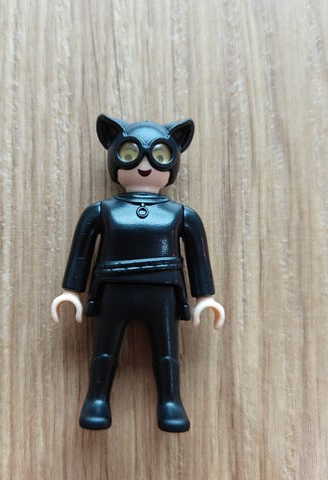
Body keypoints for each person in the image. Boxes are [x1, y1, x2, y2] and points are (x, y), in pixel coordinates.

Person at [51, 114, 225, 432]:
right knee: (104, 349)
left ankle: (171, 402)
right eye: (131, 153)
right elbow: (81, 252)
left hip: (163, 293)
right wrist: (70, 291)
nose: (145, 164)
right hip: (114, 290)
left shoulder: (181, 214)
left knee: (166, 351)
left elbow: (198, 258)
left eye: (158, 155)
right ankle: (96, 399)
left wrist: (205, 297)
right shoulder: (102, 211)